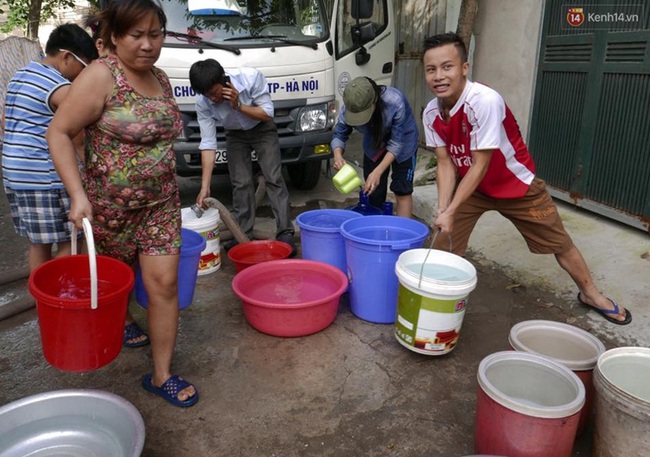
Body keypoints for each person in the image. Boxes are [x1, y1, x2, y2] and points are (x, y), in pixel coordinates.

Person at [47, 0, 199, 407]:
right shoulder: (101, 76)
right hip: (107, 210)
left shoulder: (162, 79)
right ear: (114, 38)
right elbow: (59, 132)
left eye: (156, 34)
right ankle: (121, 328)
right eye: (136, 35)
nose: (148, 45)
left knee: (163, 285)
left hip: (161, 205)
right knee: (110, 290)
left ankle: (161, 372)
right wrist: (78, 194)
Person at [421, 32, 632, 325]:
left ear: (464, 68)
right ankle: (434, 300)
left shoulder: (484, 101)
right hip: (473, 189)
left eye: (447, 67)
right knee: (443, 240)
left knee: (558, 241)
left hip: (516, 185)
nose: (439, 76)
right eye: (431, 69)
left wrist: (451, 209)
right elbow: (444, 162)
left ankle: (591, 293)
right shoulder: (431, 111)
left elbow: (482, 163)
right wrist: (445, 210)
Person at [2, 24, 97, 273]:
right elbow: (76, 137)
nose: (82, 75)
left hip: (15, 173)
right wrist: (89, 171)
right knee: (68, 239)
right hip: (43, 176)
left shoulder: (21, 74)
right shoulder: (60, 87)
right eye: (84, 67)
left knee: (38, 244)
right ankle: (61, 301)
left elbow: (5, 121)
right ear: (66, 57)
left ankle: (40, 304)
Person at [189, 58, 297, 255]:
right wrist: (205, 186)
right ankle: (242, 234)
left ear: (223, 81)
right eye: (207, 95)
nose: (212, 99)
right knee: (241, 183)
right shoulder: (203, 102)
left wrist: (238, 105)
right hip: (234, 135)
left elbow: (267, 113)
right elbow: (208, 143)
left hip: (261, 127)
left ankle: (285, 231)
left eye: (215, 92)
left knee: (274, 178)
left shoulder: (250, 78)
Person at [331, 76, 419, 217]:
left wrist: (378, 171)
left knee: (402, 189)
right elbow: (339, 135)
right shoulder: (349, 107)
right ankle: (373, 234)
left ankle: (403, 236)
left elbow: (396, 144)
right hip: (374, 144)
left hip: (404, 143)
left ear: (374, 101)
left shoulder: (395, 102)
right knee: (373, 191)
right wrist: (337, 155)